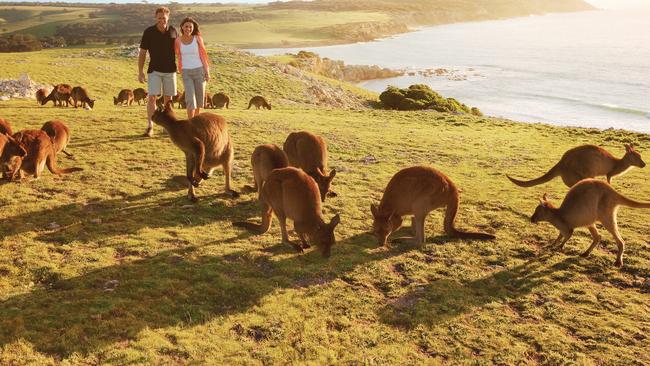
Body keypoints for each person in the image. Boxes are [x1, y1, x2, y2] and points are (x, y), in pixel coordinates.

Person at [138, 7, 178, 137]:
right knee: (152, 98)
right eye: (159, 18)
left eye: (164, 18)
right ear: (156, 18)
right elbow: (143, 53)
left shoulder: (173, 31)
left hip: (170, 71)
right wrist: (140, 71)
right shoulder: (149, 32)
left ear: (168, 18)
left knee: (168, 101)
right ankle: (150, 126)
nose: (162, 20)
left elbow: (180, 50)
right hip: (154, 70)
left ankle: (167, 127)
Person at [175, 17, 210, 119]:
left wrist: (207, 72)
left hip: (199, 71)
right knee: (190, 98)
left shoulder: (198, 39)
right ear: (182, 27)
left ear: (193, 28)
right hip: (186, 72)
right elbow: (176, 54)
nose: (188, 29)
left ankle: (196, 121)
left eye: (190, 27)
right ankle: (190, 122)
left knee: (199, 98)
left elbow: (203, 56)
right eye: (186, 26)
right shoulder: (177, 40)